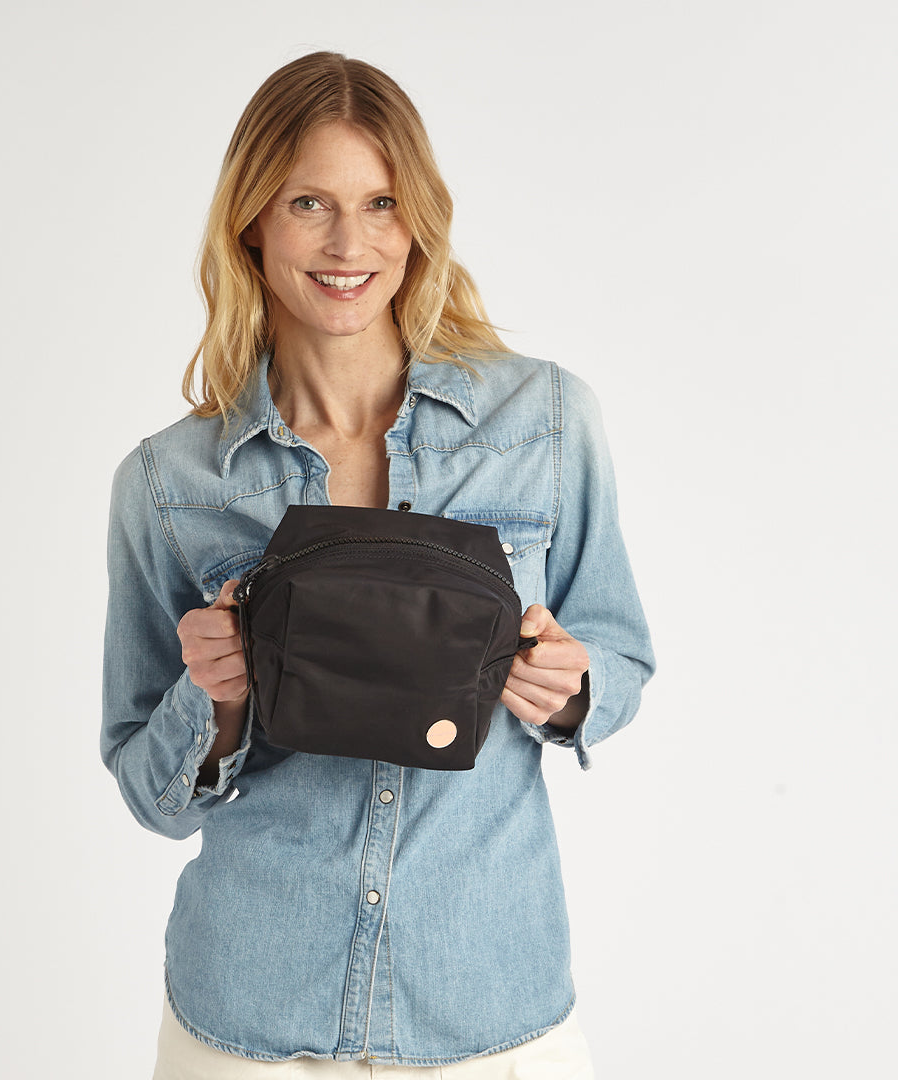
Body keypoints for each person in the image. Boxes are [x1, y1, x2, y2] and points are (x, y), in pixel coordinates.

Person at [102, 52, 655, 1078]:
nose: (349, 243)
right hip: (252, 1019)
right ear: (252, 220)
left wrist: (571, 690)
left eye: (381, 202)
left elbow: (619, 659)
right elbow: (148, 789)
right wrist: (208, 701)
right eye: (310, 201)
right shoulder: (169, 483)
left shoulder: (546, 422)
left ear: (419, 221)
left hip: (490, 1011)